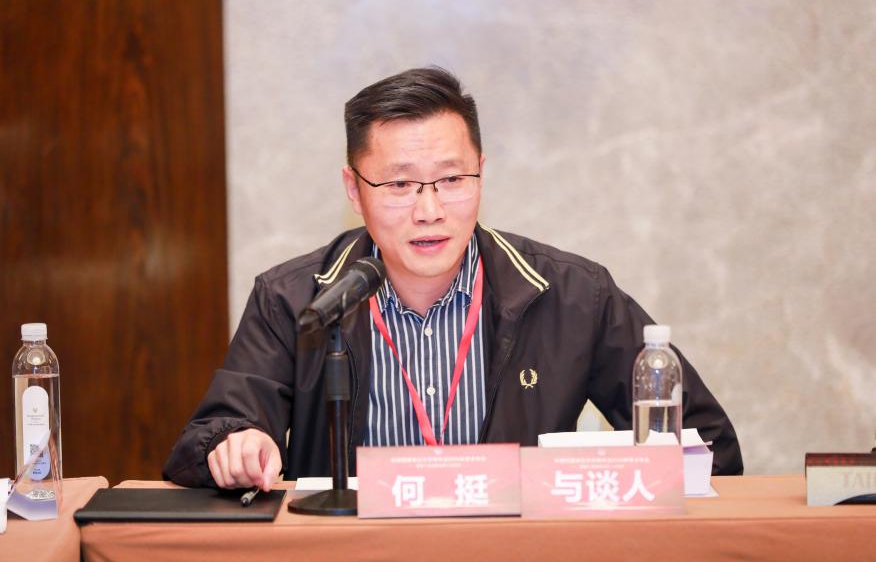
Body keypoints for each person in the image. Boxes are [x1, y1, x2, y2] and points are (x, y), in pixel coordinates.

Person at [163, 66, 742, 491]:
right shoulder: (295, 298)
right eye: (399, 184)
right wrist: (234, 446)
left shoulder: (573, 295)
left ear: (481, 174)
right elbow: (206, 438)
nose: (430, 210)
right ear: (353, 190)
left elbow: (708, 446)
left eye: (451, 180)